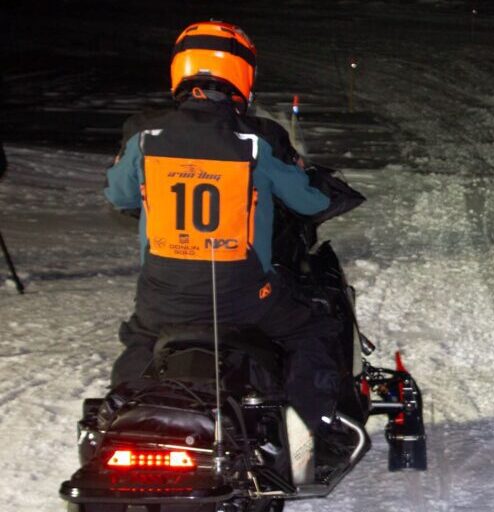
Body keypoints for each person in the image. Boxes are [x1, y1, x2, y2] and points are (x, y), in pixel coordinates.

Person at [104, 21, 345, 440]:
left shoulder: (143, 135)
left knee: (139, 341)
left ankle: (121, 422)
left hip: (162, 302)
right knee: (314, 329)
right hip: (244, 300)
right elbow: (310, 202)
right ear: (241, 73)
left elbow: (120, 197)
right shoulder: (257, 139)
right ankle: (309, 431)